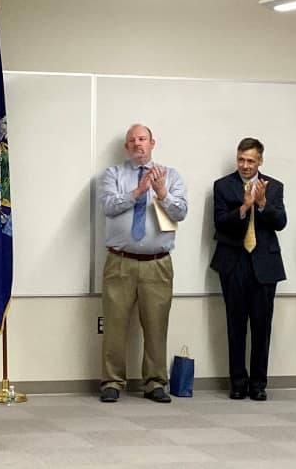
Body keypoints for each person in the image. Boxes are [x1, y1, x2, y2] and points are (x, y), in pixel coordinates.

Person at [97, 124, 187, 403]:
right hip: (120, 262)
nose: (138, 144)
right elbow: (108, 206)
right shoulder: (113, 174)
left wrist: (161, 192)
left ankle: (155, 382)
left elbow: (181, 212)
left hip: (157, 264)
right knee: (114, 325)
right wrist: (138, 191)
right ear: (127, 146)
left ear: (152, 143)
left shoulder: (170, 176)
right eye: (133, 140)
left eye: (143, 139)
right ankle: (112, 381)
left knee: (156, 325)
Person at [210, 137, 286, 401]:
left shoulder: (274, 187)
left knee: (262, 327)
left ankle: (258, 384)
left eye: (250, 161)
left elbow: (280, 222)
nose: (245, 165)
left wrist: (262, 204)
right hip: (234, 263)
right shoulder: (222, 186)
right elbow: (220, 222)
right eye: (241, 159)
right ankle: (238, 383)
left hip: (264, 264)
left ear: (260, 161)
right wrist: (244, 206)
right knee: (236, 325)